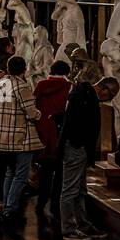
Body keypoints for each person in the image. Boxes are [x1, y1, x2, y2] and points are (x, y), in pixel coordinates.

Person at [58, 71, 120, 240]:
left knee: (80, 189)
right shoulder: (85, 97)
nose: (108, 99)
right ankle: (69, 229)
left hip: (79, 148)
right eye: (111, 95)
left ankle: (83, 225)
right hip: (76, 147)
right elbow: (76, 124)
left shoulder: (84, 95)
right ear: (103, 88)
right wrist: (81, 144)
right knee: (70, 189)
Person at [0, 54, 42, 229]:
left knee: (9, 173)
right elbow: (31, 112)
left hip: (2, 136)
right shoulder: (22, 86)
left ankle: (6, 205)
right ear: (24, 69)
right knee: (21, 174)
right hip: (21, 137)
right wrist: (39, 114)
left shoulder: (0, 85)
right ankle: (10, 209)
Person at [33, 60, 72, 219]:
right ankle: (55, 206)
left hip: (43, 133)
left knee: (44, 171)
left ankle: (40, 203)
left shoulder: (41, 85)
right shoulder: (68, 87)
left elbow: (34, 106)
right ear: (67, 73)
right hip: (60, 133)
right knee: (60, 173)